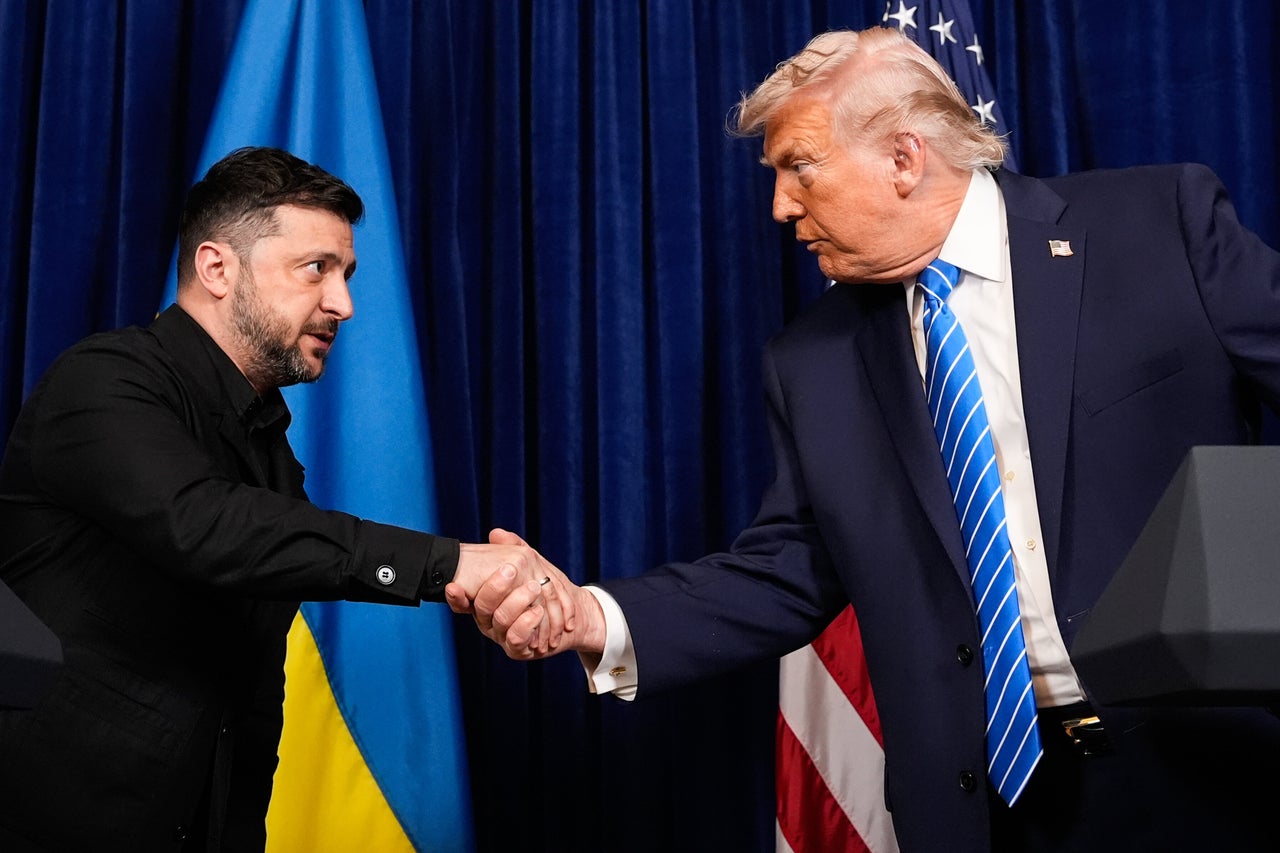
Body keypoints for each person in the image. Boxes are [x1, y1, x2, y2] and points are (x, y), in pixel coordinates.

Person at [452, 26, 1280, 853]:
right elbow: (787, 570)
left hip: (1212, 773)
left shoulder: (1158, 223)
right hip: (984, 813)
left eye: (798, 167)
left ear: (903, 157)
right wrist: (593, 617)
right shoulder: (812, 362)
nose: (779, 204)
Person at [0, 146, 569, 852]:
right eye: (316, 270)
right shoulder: (103, 381)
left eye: (347, 274)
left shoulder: (270, 450)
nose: (344, 304)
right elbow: (206, 527)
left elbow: (243, 704)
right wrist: (453, 565)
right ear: (216, 268)